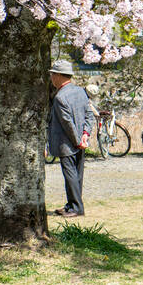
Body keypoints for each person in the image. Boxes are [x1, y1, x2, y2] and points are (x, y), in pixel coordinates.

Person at [48, 59, 91, 218]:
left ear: (59, 76)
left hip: (67, 143)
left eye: (53, 74)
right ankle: (71, 204)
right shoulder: (81, 91)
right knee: (77, 175)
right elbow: (89, 115)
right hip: (81, 141)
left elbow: (67, 123)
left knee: (70, 175)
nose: (51, 77)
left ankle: (76, 208)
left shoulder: (60, 97)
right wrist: (85, 135)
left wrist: (77, 140)